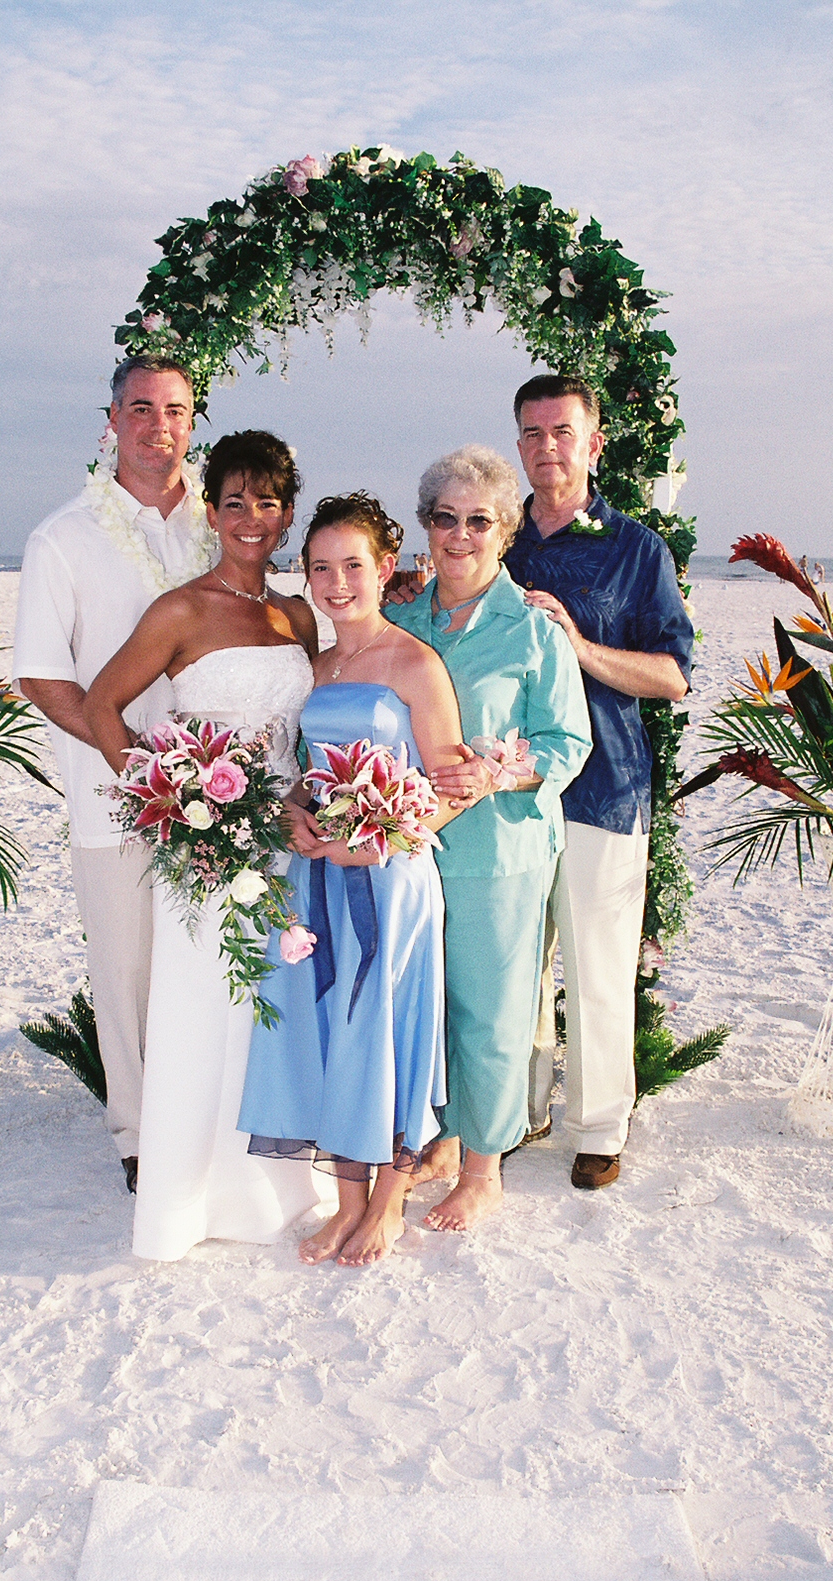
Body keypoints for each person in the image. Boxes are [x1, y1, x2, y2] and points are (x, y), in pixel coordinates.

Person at [84, 431, 326, 1261]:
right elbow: (100, 707)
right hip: (205, 852)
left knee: (273, 1012)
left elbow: (313, 724)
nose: (251, 518)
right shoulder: (180, 610)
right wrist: (163, 798)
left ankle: (278, 1185)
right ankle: (191, 1194)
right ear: (211, 512)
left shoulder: (297, 614)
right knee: (204, 1009)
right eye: (233, 502)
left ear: (287, 513)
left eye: (267, 502)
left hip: (286, 844)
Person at [238, 492, 466, 1267]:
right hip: (318, 881)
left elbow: (448, 783)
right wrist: (293, 814)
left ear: (386, 569)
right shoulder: (315, 666)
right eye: (321, 568)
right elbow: (305, 774)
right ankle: (343, 1205)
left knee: (386, 1031)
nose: (337, 583)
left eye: (353, 566)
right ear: (306, 575)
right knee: (331, 1027)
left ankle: (387, 1206)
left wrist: (384, 839)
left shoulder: (413, 661)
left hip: (390, 881)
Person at [12, 355, 217, 1193]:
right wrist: (125, 755)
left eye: (173, 410)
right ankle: (137, 1132)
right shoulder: (63, 535)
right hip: (112, 794)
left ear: (190, 422)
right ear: (110, 420)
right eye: (140, 409)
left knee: (207, 954)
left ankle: (208, 1105)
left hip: (220, 793)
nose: (157, 427)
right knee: (125, 966)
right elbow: (40, 673)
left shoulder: (219, 526)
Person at [389, 447, 593, 1228]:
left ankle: (482, 1169)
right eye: (445, 518)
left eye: (479, 520)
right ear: (425, 527)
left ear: (506, 531)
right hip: (409, 850)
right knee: (428, 1006)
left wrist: (497, 775)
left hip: (499, 852)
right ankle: (442, 1139)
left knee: (492, 1009)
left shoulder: (532, 630)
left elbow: (566, 742)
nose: (460, 534)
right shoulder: (400, 617)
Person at [505, 374, 694, 1189]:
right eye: (532, 432)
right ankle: (516, 1109)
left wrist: (577, 646)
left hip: (605, 788)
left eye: (561, 431)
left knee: (595, 965)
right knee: (512, 965)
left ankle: (596, 1127)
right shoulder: (491, 536)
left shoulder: (636, 548)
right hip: (505, 789)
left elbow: (671, 676)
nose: (546, 446)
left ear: (593, 442)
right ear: (518, 445)